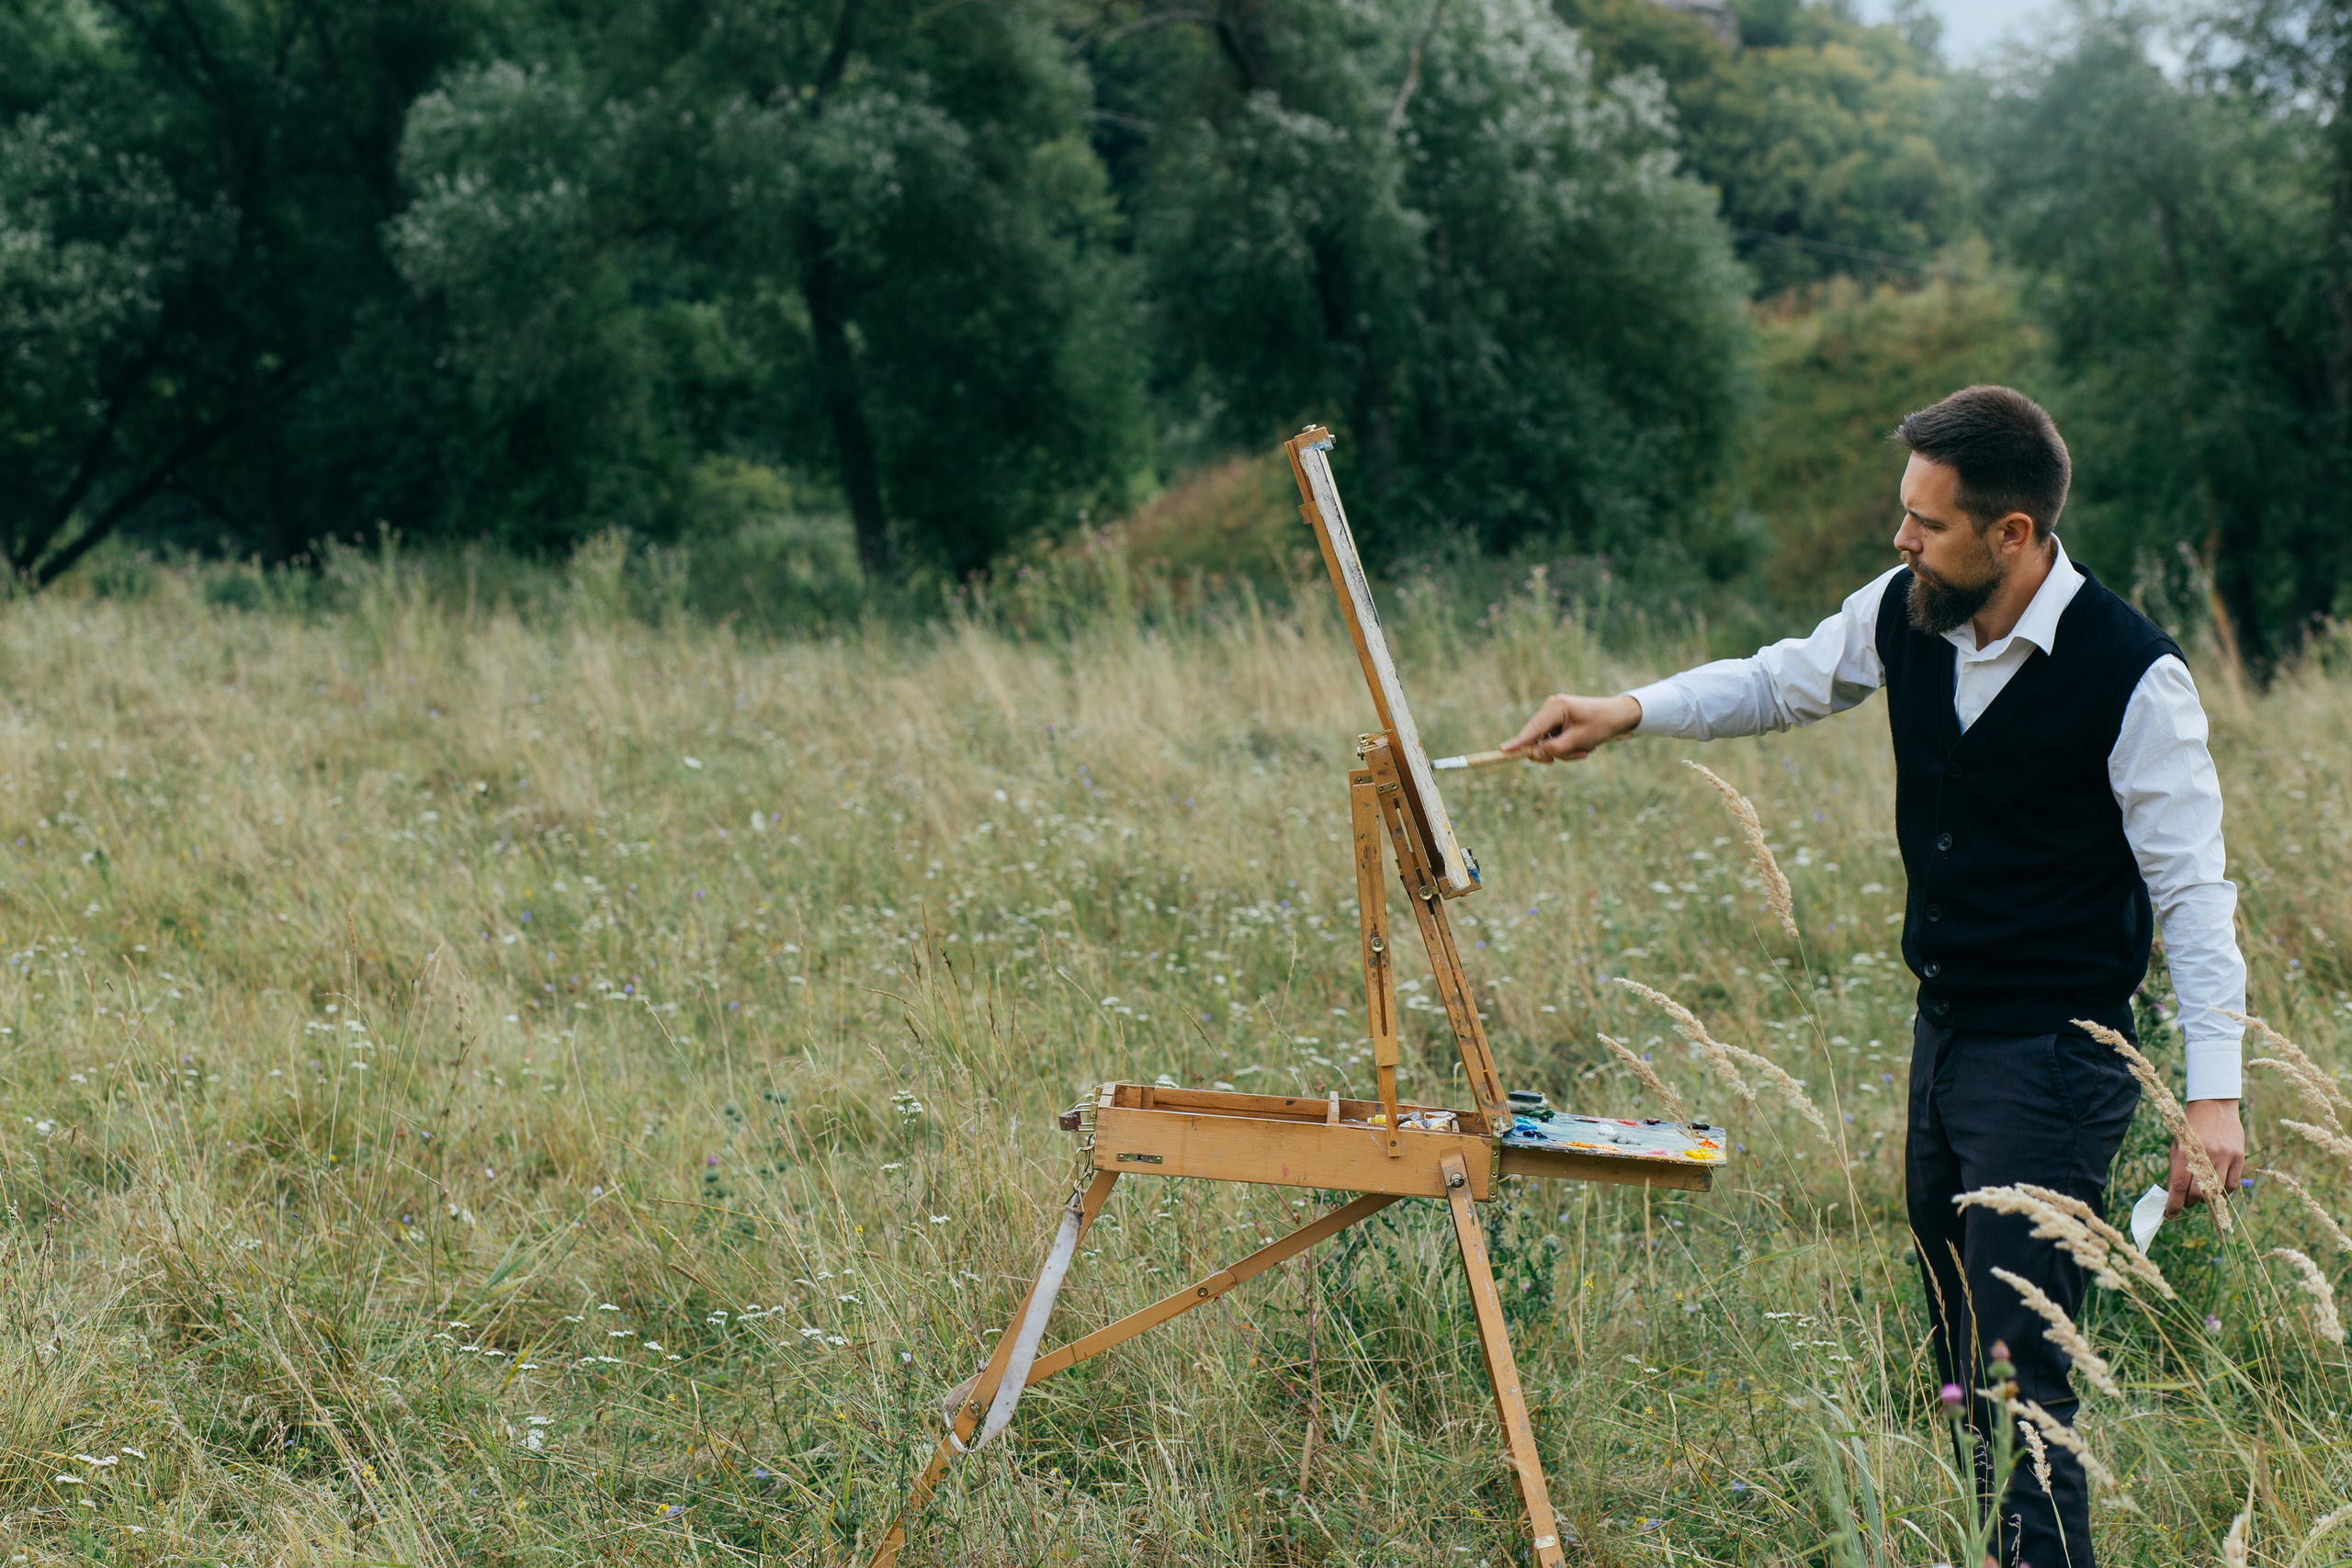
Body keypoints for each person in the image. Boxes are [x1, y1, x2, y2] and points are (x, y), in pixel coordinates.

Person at [1499, 385, 2245, 1568]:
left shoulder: (2136, 675)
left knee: (2026, 1386)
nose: (1901, 540)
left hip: (2056, 1064)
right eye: (1903, 515)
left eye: (1928, 523)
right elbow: (1780, 678)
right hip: (1944, 1042)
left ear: (2014, 534)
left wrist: (2215, 1096)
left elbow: (2196, 894)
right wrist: (1627, 711)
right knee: (1962, 1361)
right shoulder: (1908, 609)